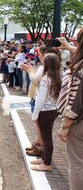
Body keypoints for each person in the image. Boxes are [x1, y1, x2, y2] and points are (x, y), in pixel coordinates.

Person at [57, 31, 83, 190]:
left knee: (77, 163)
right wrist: (69, 47)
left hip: (78, 121)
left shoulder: (80, 68)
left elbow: (77, 100)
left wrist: (65, 125)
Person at [30, 53, 62, 172]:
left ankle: (47, 163)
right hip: (53, 110)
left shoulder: (45, 79)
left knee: (46, 138)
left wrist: (35, 114)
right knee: (46, 136)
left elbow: (40, 99)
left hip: (45, 111)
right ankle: (44, 159)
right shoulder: (58, 77)